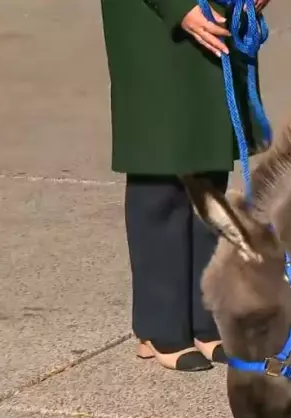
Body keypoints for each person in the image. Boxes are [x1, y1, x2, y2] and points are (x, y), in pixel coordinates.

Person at [100, 0, 271, 371]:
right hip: (156, 22)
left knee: (208, 174)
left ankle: (204, 317)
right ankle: (159, 324)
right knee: (159, 171)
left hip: (220, 14)